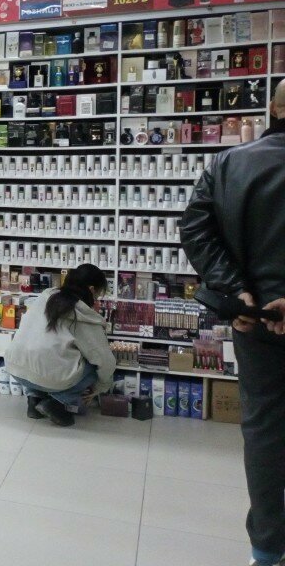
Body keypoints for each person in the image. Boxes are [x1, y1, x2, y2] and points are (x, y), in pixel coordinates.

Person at [180, 79, 285, 566]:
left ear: (273, 110)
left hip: (254, 321)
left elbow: (195, 230)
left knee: (263, 429)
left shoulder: (228, 163)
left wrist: (237, 290)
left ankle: (267, 548)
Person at [4, 264, 116, 427]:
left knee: (42, 357)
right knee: (94, 367)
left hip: (15, 368)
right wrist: (101, 387)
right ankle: (56, 403)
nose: (97, 299)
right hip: (48, 378)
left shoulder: (46, 296)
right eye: (98, 294)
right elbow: (104, 360)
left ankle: (34, 399)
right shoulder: (83, 315)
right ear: (91, 290)